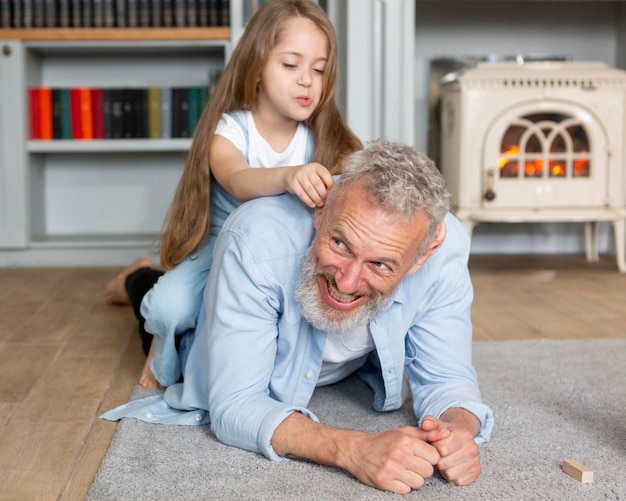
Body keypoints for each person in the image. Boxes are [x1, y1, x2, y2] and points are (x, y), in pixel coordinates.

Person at [102, 139, 494, 494]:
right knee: (167, 307)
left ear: (423, 256)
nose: (348, 280)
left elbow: (448, 377)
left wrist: (458, 429)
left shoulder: (443, 246)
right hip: (212, 320)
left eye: (379, 264)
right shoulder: (254, 239)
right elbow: (235, 404)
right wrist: (353, 449)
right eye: (340, 243)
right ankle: (137, 278)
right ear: (321, 209)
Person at [103, 0, 361, 388]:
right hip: (222, 246)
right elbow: (239, 179)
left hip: (286, 254)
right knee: (172, 308)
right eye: (291, 65)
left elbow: (368, 179)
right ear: (256, 66)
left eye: (319, 69)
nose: (307, 80)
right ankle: (140, 283)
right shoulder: (232, 130)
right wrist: (287, 176)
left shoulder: (323, 135)